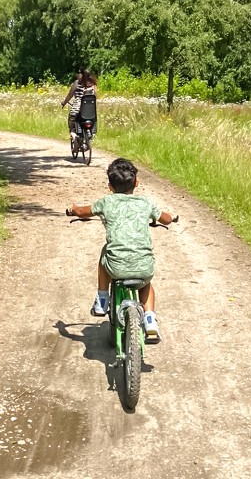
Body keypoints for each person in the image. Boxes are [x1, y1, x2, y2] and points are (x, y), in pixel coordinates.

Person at [66, 158, 176, 343]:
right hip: (144, 268)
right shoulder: (145, 203)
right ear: (136, 183)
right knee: (146, 284)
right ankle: (150, 321)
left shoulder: (106, 202)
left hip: (115, 267)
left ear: (110, 186)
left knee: (105, 253)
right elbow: (165, 219)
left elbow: (83, 212)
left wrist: (73, 209)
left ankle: (102, 299)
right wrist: (171, 217)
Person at [60, 69, 97, 143]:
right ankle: (90, 134)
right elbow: (95, 97)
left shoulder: (77, 83)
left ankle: (73, 134)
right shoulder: (93, 85)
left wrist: (64, 103)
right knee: (93, 120)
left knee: (72, 123)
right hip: (90, 111)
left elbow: (69, 96)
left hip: (76, 109)